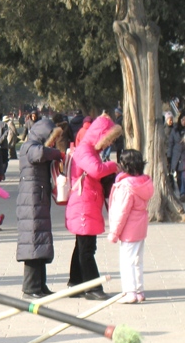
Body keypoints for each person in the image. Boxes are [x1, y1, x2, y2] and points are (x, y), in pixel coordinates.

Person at [65, 114, 122, 300]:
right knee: (87, 248)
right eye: (108, 140)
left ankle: (75, 283)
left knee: (82, 245)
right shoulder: (85, 151)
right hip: (83, 204)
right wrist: (113, 165)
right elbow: (97, 170)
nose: (108, 144)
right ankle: (92, 287)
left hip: (86, 202)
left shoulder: (90, 151)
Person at [16, 118, 63, 298]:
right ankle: (30, 288)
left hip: (38, 198)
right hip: (31, 201)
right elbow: (40, 154)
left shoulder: (34, 146)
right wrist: (58, 153)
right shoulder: (29, 146)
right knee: (33, 243)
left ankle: (40, 285)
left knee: (40, 242)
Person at [107, 149, 154, 304]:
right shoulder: (144, 182)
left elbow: (122, 212)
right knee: (137, 260)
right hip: (140, 227)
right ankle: (139, 290)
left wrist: (114, 233)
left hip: (129, 229)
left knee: (127, 261)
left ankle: (130, 292)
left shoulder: (126, 186)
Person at [167, 109, 185, 199]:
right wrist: (169, 156)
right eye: (183, 120)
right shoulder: (175, 130)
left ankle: (182, 193)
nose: (184, 122)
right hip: (176, 156)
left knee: (184, 175)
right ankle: (181, 191)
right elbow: (170, 144)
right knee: (178, 176)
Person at [0, 112, 10, 176]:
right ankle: (2, 172)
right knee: (5, 160)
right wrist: (1, 140)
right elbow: (6, 133)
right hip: (4, 145)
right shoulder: (4, 124)